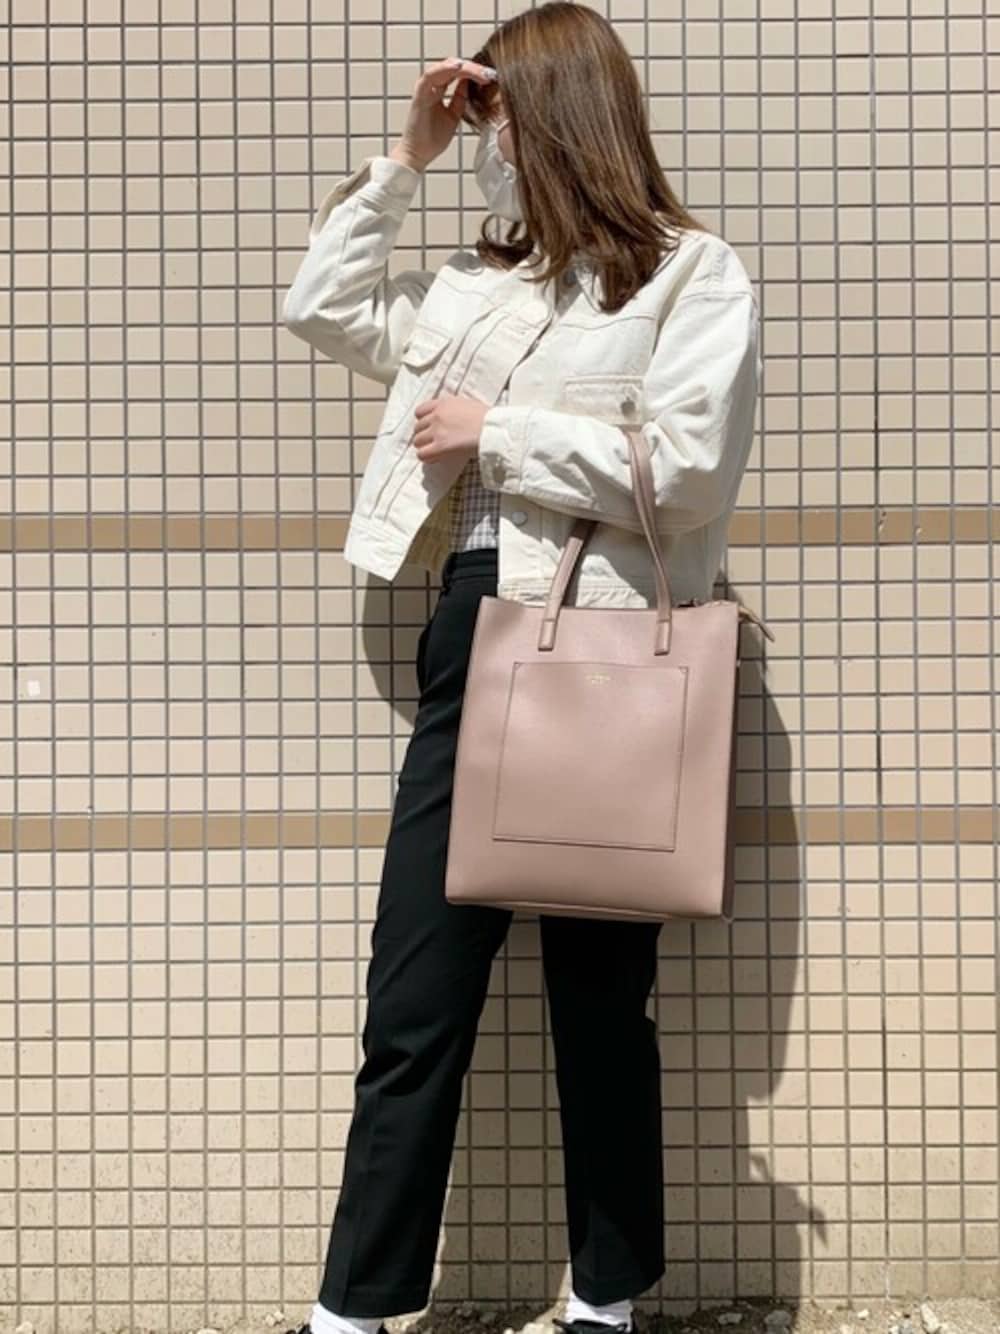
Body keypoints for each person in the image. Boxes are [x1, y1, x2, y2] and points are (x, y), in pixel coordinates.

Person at [280, 6, 761, 1334]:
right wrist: (406, 156)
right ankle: (352, 1309)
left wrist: (501, 435)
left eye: (498, 107)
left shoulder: (688, 275)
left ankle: (606, 1300)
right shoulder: (478, 284)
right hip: (473, 633)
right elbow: (320, 306)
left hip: (605, 647)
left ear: (558, 114)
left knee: (601, 1004)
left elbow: (690, 470)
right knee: (415, 997)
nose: (487, 133)